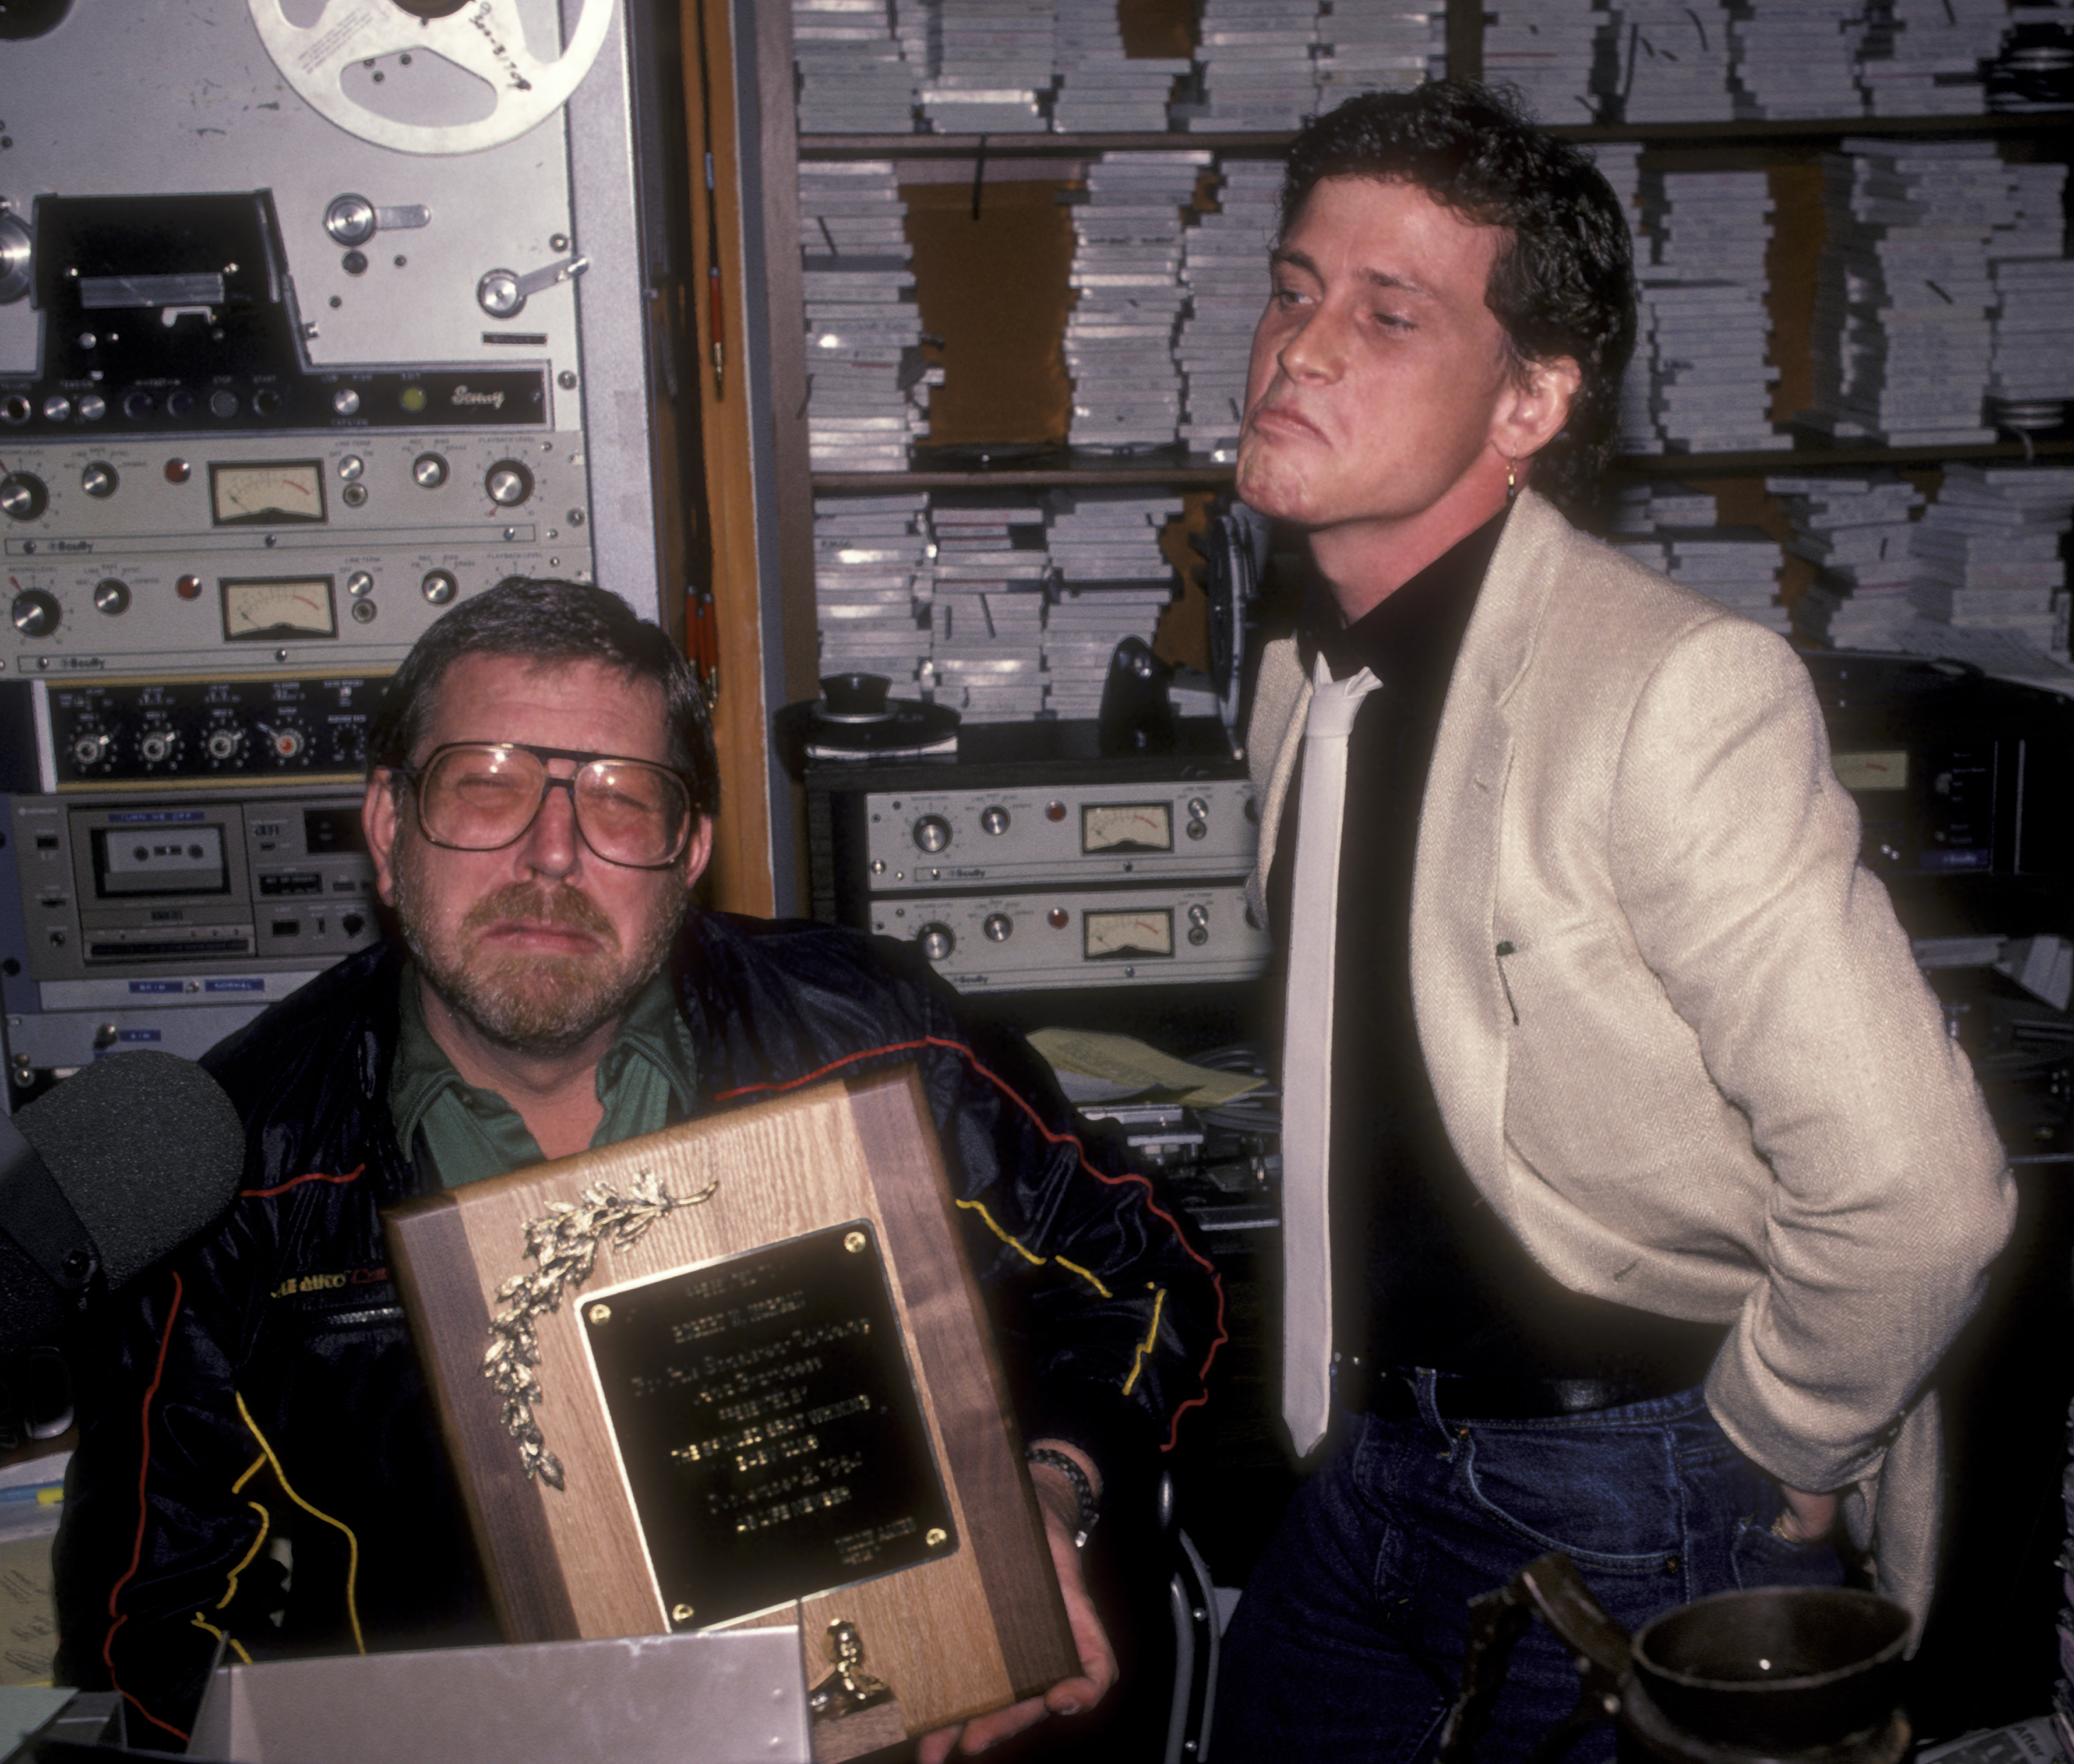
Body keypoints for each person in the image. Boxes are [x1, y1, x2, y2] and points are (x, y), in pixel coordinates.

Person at [53, 578, 1222, 1757]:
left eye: (620, 802)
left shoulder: (877, 1041)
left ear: (690, 852)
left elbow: (1146, 1274)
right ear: (388, 826)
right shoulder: (237, 1170)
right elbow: (152, 1623)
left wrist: (1051, 1490)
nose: (552, 853)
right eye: (486, 785)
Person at [1213, 81, 2014, 1761]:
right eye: (1294, 286)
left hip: (1624, 1485)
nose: (1299, 348)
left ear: (1531, 400)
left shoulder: (1670, 688)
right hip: (1355, 1460)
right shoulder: (1300, 679)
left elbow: (1921, 1191)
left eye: (1388, 311)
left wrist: (1785, 1443)